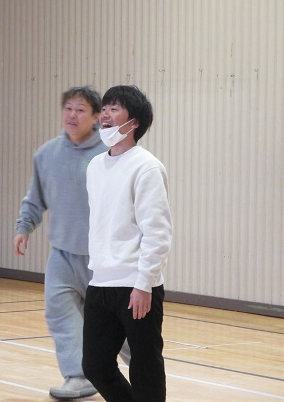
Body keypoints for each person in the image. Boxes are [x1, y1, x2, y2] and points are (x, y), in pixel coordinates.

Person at [13, 86, 130, 401]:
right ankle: (78, 376)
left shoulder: (111, 154)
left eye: (81, 110)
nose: (73, 115)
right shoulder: (46, 154)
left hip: (104, 259)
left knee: (116, 325)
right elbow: (35, 197)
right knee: (59, 314)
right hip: (62, 255)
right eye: (68, 108)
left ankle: (143, 367)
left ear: (95, 117)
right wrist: (24, 227)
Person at [82, 85, 172, 402]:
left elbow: (157, 231)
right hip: (100, 283)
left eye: (114, 109)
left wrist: (144, 283)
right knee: (95, 366)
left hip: (136, 285)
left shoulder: (147, 166)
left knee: (145, 367)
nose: (105, 115)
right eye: (104, 108)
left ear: (134, 122)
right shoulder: (95, 166)